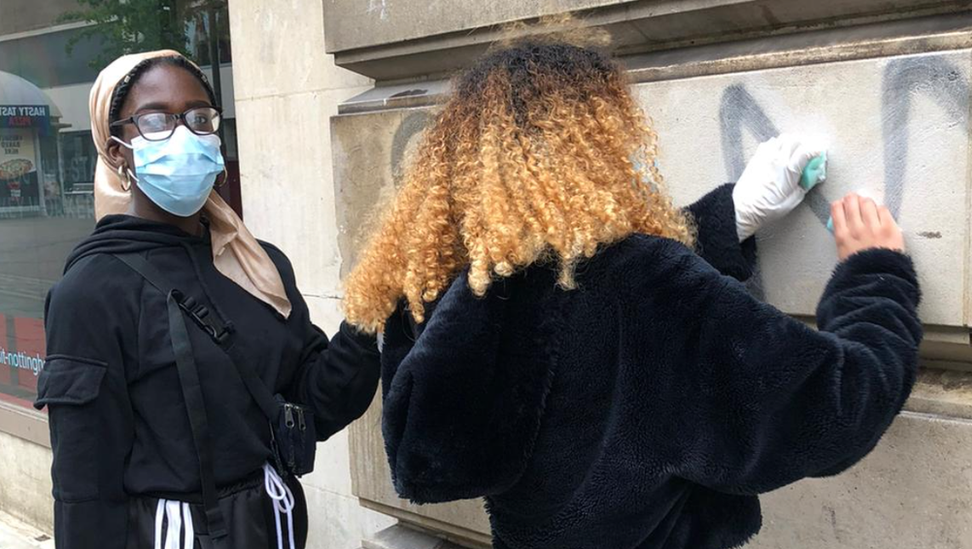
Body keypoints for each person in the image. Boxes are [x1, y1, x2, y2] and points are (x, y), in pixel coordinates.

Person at [343, 36, 921, 549]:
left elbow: (574, 307)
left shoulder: (447, 289)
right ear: (594, 142)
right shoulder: (642, 286)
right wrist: (875, 274)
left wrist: (727, 219)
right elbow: (840, 405)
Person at [35, 50, 381, 549]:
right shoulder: (91, 291)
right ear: (116, 152)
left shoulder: (258, 266)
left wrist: (369, 316)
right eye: (155, 120)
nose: (184, 135)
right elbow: (84, 486)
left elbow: (314, 404)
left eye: (199, 118)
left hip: (274, 526)